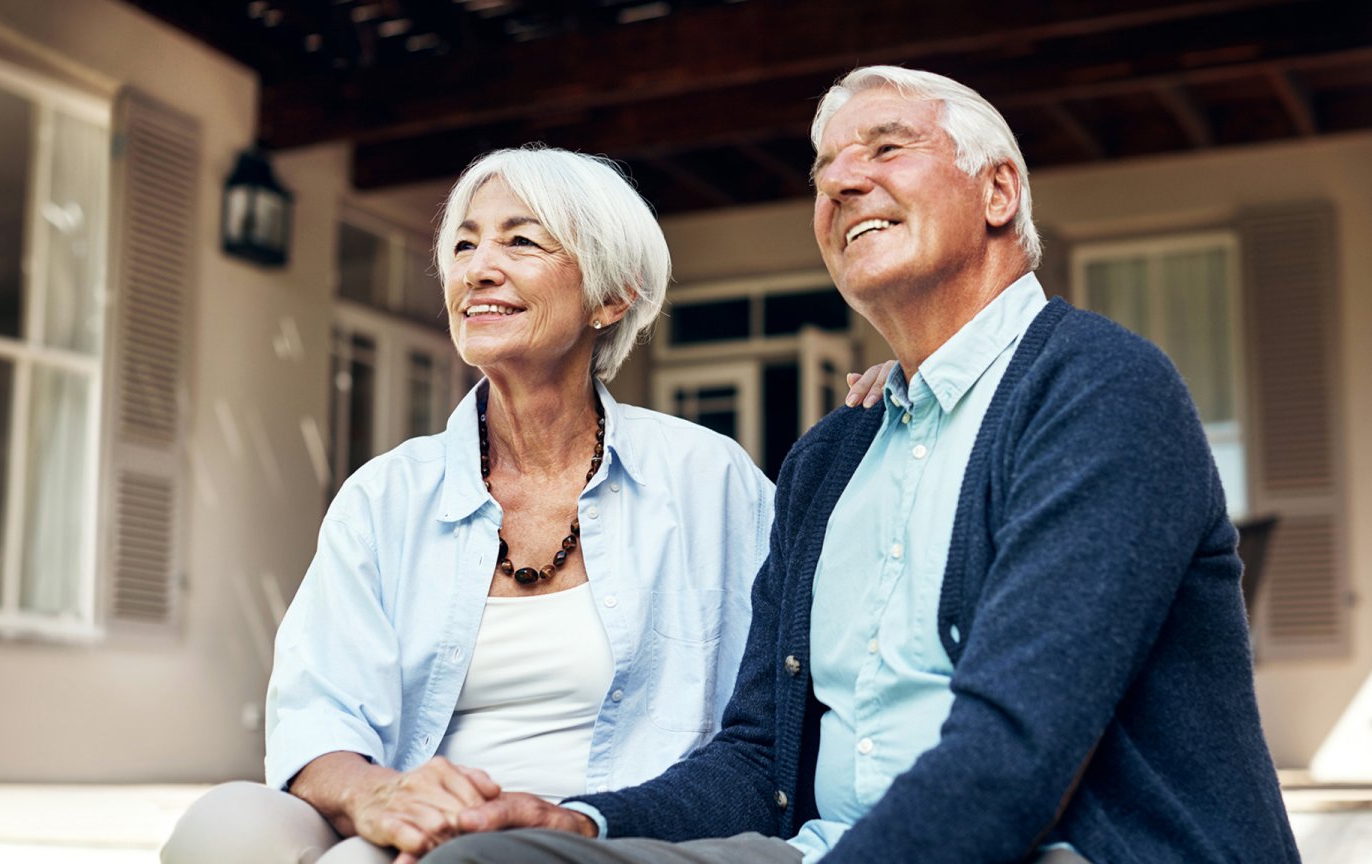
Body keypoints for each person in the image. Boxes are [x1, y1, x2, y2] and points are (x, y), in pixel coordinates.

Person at [422, 67, 1301, 864]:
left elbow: (1015, 754)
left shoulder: (1099, 391)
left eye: (887, 148)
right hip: (821, 848)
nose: (842, 181)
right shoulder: (833, 456)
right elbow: (759, 757)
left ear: (998, 191)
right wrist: (579, 822)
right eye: (825, 170)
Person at [162, 146, 894, 864]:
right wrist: (380, 798)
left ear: (612, 296)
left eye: (521, 241)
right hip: (419, 825)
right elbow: (318, 712)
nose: (479, 268)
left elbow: (822, 636)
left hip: (606, 834)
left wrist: (908, 407)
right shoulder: (386, 496)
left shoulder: (707, 480)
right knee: (227, 826)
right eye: (465, 244)